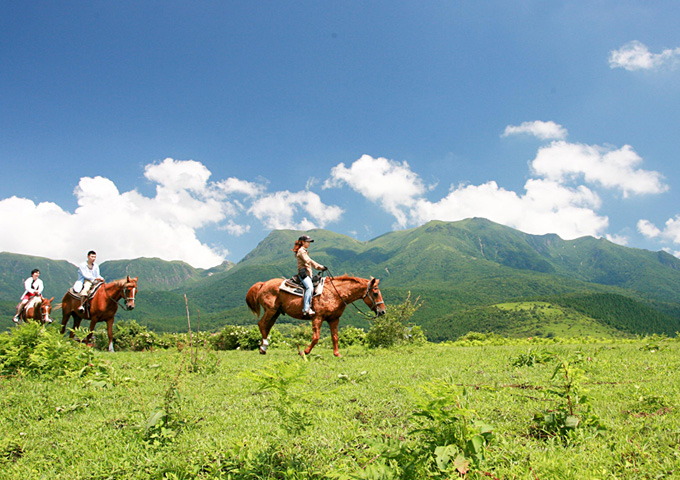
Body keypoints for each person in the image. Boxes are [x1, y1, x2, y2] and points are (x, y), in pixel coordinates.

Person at [293, 235, 327, 316]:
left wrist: (320, 268)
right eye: (307, 242)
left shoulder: (304, 251)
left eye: (309, 242)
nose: (309, 243)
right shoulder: (301, 251)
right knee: (310, 287)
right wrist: (320, 267)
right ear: (302, 242)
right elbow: (308, 261)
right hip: (303, 274)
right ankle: (306, 309)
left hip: (308, 274)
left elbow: (310, 262)